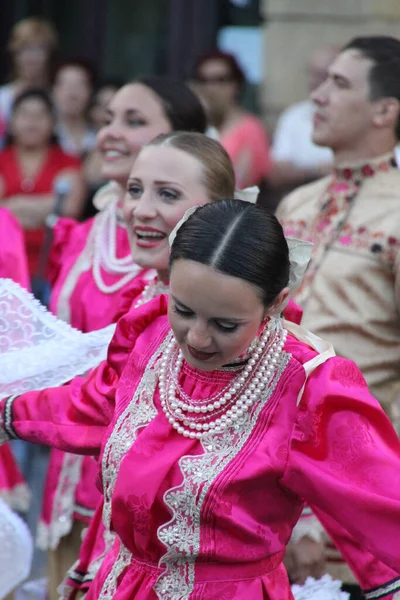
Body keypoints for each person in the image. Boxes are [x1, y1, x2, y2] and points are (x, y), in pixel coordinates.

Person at [1, 198, 400, 600]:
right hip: (121, 586)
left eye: (226, 324)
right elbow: (95, 407)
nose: (197, 338)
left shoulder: (305, 387)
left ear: (276, 303)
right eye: (183, 310)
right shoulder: (152, 337)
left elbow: (381, 500)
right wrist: (9, 413)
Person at [40, 85, 207, 599]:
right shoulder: (80, 234)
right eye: (107, 117)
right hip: (70, 470)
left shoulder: (204, 269)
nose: (110, 131)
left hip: (158, 502)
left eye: (132, 120)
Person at [276, 35, 400, 597]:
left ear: (385, 109)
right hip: (272, 485)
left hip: (367, 490)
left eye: (339, 83)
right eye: (322, 81)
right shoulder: (295, 205)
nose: (318, 96)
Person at [0, 89, 84, 279]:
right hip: (4, 267)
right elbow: (58, 207)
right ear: (11, 122)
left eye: (39, 115)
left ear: (53, 123)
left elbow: (69, 208)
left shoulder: (68, 161)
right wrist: (49, 207)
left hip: (55, 267)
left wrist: (13, 206)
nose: (32, 122)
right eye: (25, 114)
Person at [193, 50, 272, 188]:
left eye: (220, 80)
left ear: (237, 84)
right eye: (203, 80)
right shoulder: (194, 124)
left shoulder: (251, 129)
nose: (211, 87)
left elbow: (244, 185)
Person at [269, 45, 337, 193]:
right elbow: (278, 173)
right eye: (311, 73)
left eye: (322, 75)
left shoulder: (356, 117)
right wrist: (319, 171)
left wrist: (300, 170)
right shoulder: (294, 115)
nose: (313, 81)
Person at [0, 18, 58, 136]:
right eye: (24, 49)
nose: (31, 58)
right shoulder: (2, 98)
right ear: (14, 54)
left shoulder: (57, 98)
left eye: (39, 50)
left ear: (49, 55)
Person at [52, 59, 97, 158]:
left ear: (90, 91)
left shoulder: (98, 136)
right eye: (66, 85)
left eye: (79, 85)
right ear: (54, 91)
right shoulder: (45, 135)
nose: (72, 93)